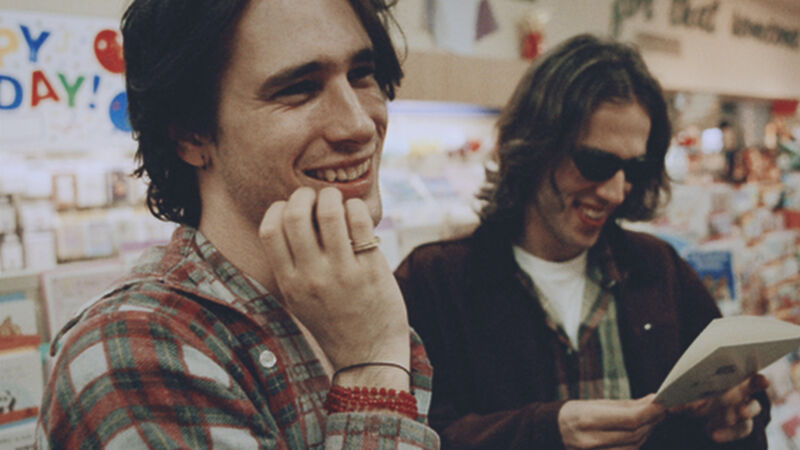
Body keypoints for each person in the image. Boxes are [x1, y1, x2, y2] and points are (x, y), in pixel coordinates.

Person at [36, 0, 440, 448]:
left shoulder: (346, 309)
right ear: (190, 134)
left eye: (361, 74)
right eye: (299, 89)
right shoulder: (135, 350)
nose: (359, 125)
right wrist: (372, 373)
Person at [394, 34, 770, 449]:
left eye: (633, 169)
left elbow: (727, 410)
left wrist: (731, 420)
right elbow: (403, 434)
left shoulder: (657, 267)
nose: (615, 191)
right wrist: (546, 432)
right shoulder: (435, 282)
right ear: (535, 146)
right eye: (595, 162)